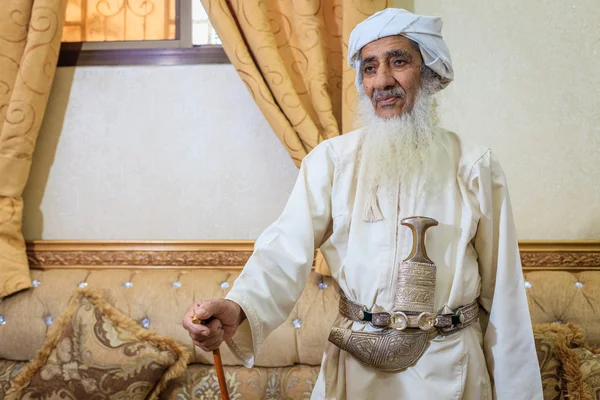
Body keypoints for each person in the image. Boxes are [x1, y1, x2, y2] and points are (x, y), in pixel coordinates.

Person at [182, 8, 543, 400]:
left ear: (429, 72)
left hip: (451, 366)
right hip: (357, 369)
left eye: (399, 61)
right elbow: (283, 253)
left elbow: (503, 293)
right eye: (370, 68)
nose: (383, 81)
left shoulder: (473, 165)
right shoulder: (332, 161)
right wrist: (237, 307)